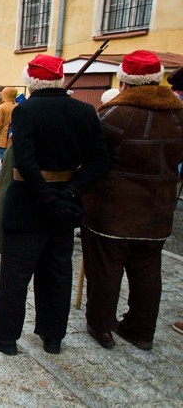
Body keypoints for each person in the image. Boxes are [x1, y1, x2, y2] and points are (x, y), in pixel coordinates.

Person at [0, 54, 109, 356]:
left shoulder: (27, 111)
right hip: (64, 203)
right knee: (57, 272)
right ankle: (53, 336)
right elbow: (99, 161)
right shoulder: (85, 111)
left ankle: (4, 334)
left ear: (30, 80)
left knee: (16, 274)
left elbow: (25, 160)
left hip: (29, 203)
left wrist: (47, 197)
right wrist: (71, 192)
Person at [81, 51, 183, 351]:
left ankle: (101, 326)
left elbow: (92, 157)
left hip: (113, 208)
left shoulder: (114, 115)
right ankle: (141, 330)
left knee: (106, 268)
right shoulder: (178, 114)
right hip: (158, 209)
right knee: (148, 271)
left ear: (124, 79)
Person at [0, 87, 18, 176]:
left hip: (3, 139)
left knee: (3, 161)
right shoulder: (18, 106)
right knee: (12, 161)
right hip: (14, 138)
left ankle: (2, 180)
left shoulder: (1, 107)